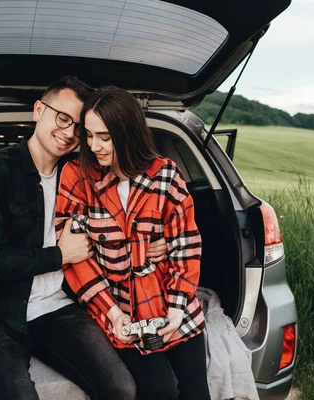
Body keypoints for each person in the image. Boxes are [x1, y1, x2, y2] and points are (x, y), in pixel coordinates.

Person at [0, 76, 167, 400]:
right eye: (62, 118)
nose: (68, 132)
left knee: (121, 389)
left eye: (78, 127)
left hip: (56, 308)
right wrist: (60, 254)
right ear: (39, 110)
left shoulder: (84, 178)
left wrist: (151, 245)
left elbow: (123, 225)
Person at [56, 86, 211, 400]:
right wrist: (113, 314)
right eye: (88, 135)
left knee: (196, 391)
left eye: (105, 136)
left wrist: (178, 310)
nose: (94, 145)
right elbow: (76, 260)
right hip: (119, 312)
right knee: (159, 390)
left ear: (128, 133)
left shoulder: (165, 175)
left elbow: (186, 244)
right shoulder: (76, 176)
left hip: (172, 302)